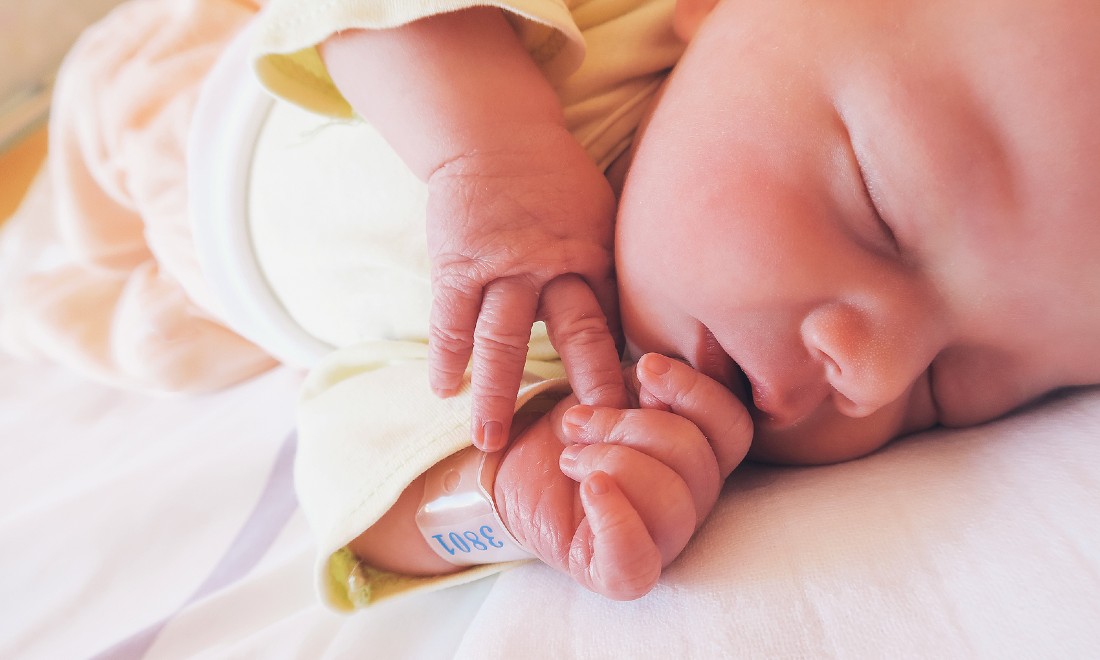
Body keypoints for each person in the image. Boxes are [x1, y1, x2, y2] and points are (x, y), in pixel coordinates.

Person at [245, 0, 1100, 609]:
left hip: (191, 287)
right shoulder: (603, 26)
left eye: (952, 389)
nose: (870, 376)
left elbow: (364, 485)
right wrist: (489, 145)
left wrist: (513, 495)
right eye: (878, 206)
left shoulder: (600, 412)